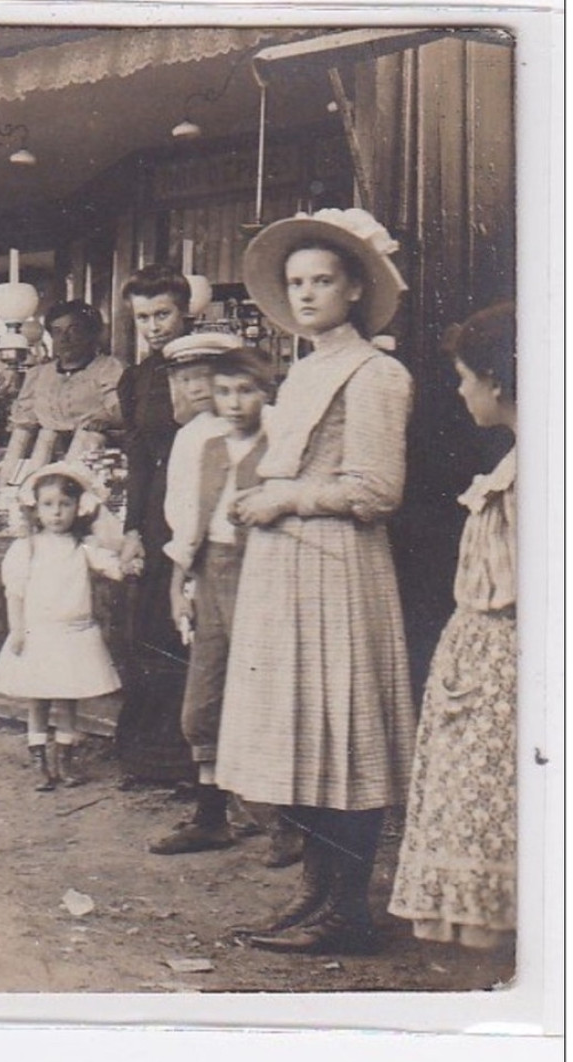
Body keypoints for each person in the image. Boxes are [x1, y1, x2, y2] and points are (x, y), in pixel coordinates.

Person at [217, 208, 416, 955]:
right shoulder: (302, 369)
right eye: (295, 282)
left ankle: (348, 909)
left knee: (342, 729)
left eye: (321, 280)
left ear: (354, 287)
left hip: (336, 566)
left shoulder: (376, 373)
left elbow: (374, 488)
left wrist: (285, 497)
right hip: (285, 569)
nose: (305, 294)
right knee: (301, 728)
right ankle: (313, 891)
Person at [388, 302, 517, 951]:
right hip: (483, 664)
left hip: (507, 675)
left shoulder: (536, 477)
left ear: (496, 380)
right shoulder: (515, 462)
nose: (460, 390)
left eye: (466, 376)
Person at [148, 342, 277, 855]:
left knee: (259, 696)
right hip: (210, 569)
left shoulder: (278, 442)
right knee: (203, 700)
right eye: (221, 390)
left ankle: (281, 824)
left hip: (261, 574)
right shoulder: (202, 445)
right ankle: (210, 815)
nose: (231, 401)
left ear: (265, 394)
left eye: (244, 390)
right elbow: (188, 519)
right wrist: (181, 583)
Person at [0, 463, 136, 790]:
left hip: (74, 634)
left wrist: (125, 555)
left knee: (68, 698)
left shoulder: (83, 547)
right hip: (39, 633)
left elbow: (116, 568)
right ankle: (40, 761)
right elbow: (16, 592)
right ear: (35, 509)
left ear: (77, 508)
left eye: (65, 505)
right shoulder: (27, 547)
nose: (56, 513)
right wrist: (17, 629)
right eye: (48, 505)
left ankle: (64, 759)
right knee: (38, 699)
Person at [112, 265, 198, 786]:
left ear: (186, 311)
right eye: (143, 317)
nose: (153, 325)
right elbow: (138, 458)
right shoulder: (136, 378)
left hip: (196, 504)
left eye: (162, 313)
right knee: (148, 632)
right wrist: (130, 530)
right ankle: (150, 760)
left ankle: (195, 764)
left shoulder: (205, 370)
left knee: (189, 630)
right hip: (153, 513)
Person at [0, 301, 126, 482]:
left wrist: (105, 419)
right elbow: (24, 425)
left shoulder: (108, 368)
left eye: (73, 330)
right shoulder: (40, 374)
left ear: (89, 334)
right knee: (42, 436)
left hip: (92, 454)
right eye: (57, 332)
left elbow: (120, 410)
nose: (64, 339)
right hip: (45, 453)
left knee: (88, 437)